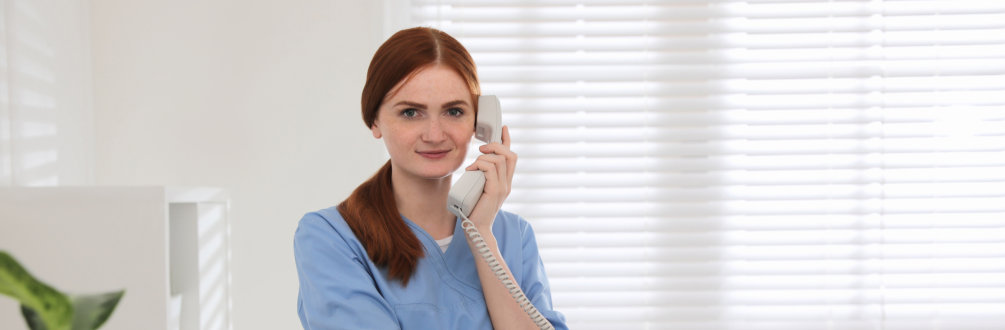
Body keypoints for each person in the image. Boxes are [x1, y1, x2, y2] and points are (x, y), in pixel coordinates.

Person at [294, 27, 568, 329]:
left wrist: (481, 234)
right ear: (374, 120)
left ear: (480, 122)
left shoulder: (514, 237)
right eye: (411, 112)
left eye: (453, 111)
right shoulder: (332, 238)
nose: (435, 135)